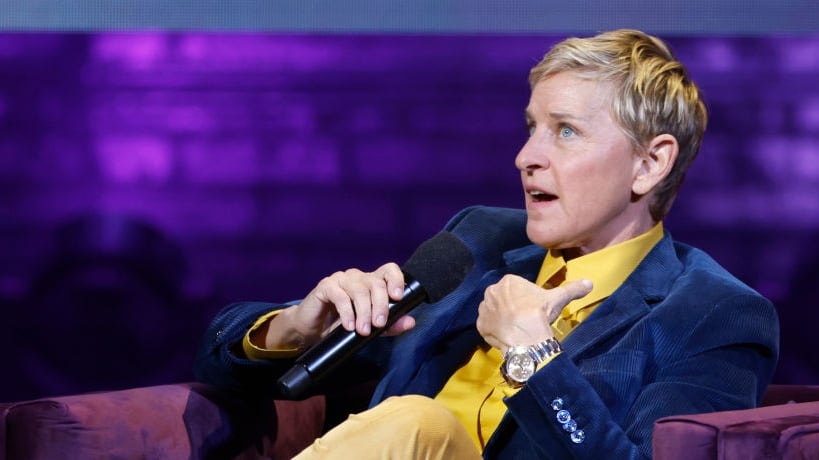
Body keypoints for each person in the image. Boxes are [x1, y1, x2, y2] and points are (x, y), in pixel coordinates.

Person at [195, 29, 779, 459]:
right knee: (414, 422)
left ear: (650, 163)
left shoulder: (714, 314)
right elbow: (219, 360)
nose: (526, 157)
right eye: (532, 128)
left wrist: (534, 358)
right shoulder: (478, 241)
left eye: (566, 131)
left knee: (418, 423)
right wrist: (295, 328)